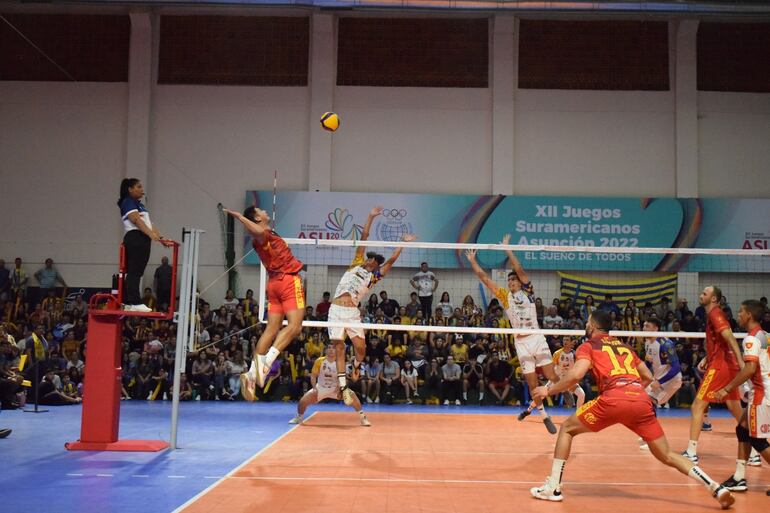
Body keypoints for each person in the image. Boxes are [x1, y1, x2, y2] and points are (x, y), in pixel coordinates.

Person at [529, 310, 734, 509]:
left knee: (567, 429)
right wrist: (631, 394)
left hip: (613, 399)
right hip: (640, 401)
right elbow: (647, 377)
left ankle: (553, 488)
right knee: (667, 454)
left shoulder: (589, 345)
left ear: (592, 325)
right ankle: (715, 486)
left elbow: (576, 375)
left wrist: (549, 391)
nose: (585, 325)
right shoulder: (626, 347)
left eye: (587, 322)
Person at [465, 236, 558, 434]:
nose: (511, 282)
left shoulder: (528, 291)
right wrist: (473, 261)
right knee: (532, 383)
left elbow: (520, 269)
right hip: (521, 343)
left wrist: (507, 249)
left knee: (551, 376)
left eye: (514, 279)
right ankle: (544, 415)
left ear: (520, 282)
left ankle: (571, 391)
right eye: (509, 280)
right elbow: (485, 278)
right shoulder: (504, 297)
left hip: (536, 336)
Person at [328, 206, 414, 406]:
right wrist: (370, 215)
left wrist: (402, 243)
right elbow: (364, 236)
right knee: (338, 346)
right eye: (368, 258)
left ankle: (356, 366)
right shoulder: (356, 263)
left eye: (371, 261)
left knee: (361, 349)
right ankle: (343, 386)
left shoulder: (374, 277)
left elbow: (391, 260)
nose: (368, 261)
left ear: (375, 264)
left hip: (351, 313)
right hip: (336, 310)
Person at [224, 206, 305, 400]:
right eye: (261, 210)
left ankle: (252, 375)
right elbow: (258, 231)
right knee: (295, 327)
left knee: (271, 330)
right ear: (257, 218)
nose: (265, 211)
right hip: (287, 281)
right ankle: (263, 367)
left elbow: (259, 231)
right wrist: (238, 216)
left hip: (274, 283)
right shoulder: (262, 235)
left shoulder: (267, 235)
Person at [682, 286, 745, 464]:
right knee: (736, 409)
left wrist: (741, 362)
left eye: (704, 293)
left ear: (714, 299)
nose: (700, 295)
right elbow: (719, 343)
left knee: (697, 407)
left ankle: (691, 452)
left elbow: (730, 337)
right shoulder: (712, 315)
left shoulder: (715, 314)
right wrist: (707, 357)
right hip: (724, 365)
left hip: (720, 367)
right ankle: (755, 450)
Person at [717, 299, 770, 493]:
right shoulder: (766, 336)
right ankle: (739, 477)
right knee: (742, 429)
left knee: (757, 440)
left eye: (740, 311)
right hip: (765, 391)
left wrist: (727, 388)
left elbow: (749, 369)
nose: (737, 315)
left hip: (761, 394)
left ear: (749, 315)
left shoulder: (751, 339)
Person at [118, 178, 174, 312]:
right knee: (134, 271)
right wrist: (150, 234)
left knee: (138, 271)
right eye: (138, 187)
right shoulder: (128, 202)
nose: (142, 189)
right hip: (135, 237)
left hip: (143, 238)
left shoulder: (140, 205)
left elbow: (150, 224)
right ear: (130, 189)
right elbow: (135, 220)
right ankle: (134, 302)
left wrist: (160, 238)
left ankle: (131, 302)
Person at [289, 345, 370, 427]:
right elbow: (313, 376)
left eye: (333, 348)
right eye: (329, 348)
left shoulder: (340, 362)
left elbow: (343, 378)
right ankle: (299, 417)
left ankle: (363, 418)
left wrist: (340, 388)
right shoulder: (319, 361)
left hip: (336, 388)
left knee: (353, 397)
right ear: (325, 350)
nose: (331, 350)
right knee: (303, 401)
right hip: (321, 388)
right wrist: (314, 388)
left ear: (336, 351)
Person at [527, 336, 585, 412]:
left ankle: (578, 415)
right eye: (564, 340)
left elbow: (577, 368)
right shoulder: (557, 353)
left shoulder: (575, 355)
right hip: (556, 379)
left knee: (581, 394)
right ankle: (528, 410)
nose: (565, 342)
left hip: (568, 379)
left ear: (571, 342)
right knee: (542, 395)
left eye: (567, 340)